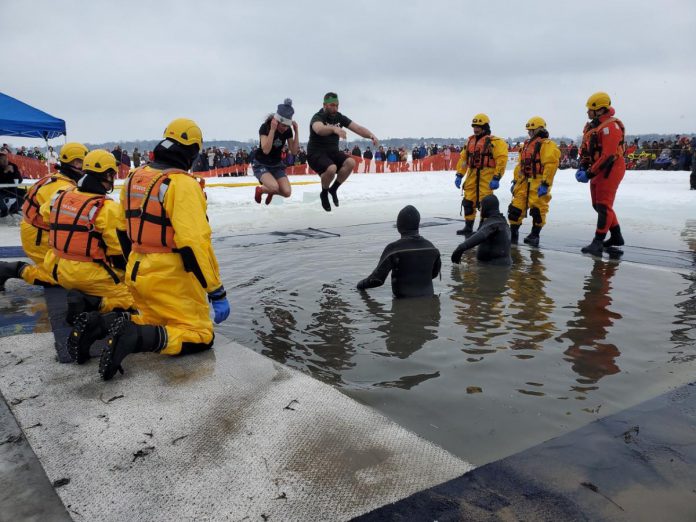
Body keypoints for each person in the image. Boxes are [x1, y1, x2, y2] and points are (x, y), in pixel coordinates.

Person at [96, 118, 230, 380]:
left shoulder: (135, 177)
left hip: (138, 270)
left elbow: (122, 230)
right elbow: (194, 243)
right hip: (169, 275)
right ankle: (134, 339)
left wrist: (129, 271)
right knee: (201, 335)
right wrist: (216, 291)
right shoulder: (182, 184)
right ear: (192, 151)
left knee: (155, 320)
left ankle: (97, 324)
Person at [42, 150, 134, 363]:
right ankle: (94, 305)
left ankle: (82, 299)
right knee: (136, 300)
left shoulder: (60, 195)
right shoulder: (107, 208)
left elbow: (46, 214)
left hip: (57, 267)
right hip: (88, 273)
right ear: (109, 175)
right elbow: (118, 252)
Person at [0, 143, 88, 292]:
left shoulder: (61, 180)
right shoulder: (61, 187)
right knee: (64, 278)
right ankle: (14, 269)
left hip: (40, 232)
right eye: (81, 162)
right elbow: (63, 219)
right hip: (39, 237)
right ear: (73, 163)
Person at [307, 92, 378, 211]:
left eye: (337, 105)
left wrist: (371, 135)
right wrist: (334, 129)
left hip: (332, 152)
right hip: (316, 153)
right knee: (331, 168)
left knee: (351, 162)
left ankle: (333, 189)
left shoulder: (339, 117)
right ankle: (324, 193)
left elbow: (358, 128)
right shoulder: (318, 117)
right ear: (325, 105)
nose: (335, 108)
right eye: (332, 105)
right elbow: (319, 129)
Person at [575, 92, 626, 256]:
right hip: (598, 168)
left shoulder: (611, 127)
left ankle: (598, 241)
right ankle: (616, 236)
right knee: (597, 205)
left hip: (611, 168)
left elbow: (608, 155)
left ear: (600, 109)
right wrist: (583, 165)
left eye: (590, 109)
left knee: (604, 206)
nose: (588, 112)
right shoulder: (593, 127)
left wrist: (589, 173)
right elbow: (585, 149)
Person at [357, 205, 441, 298]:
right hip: (430, 302)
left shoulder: (394, 249)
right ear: (418, 224)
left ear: (398, 225)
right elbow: (433, 274)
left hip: (403, 303)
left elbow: (376, 280)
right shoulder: (432, 248)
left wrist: (359, 286)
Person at [508, 116, 560, 246]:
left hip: (538, 181)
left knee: (538, 210)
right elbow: (520, 165)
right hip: (524, 181)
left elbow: (551, 165)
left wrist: (545, 183)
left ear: (540, 129)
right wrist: (515, 181)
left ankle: (535, 234)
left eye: (532, 129)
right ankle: (513, 232)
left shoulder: (547, 145)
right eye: (529, 130)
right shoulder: (526, 145)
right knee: (515, 208)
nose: (529, 132)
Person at [454, 114, 508, 237]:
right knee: (468, 201)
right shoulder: (470, 141)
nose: (475, 129)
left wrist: (497, 177)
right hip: (472, 174)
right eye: (474, 126)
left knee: (485, 202)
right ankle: (468, 226)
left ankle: (482, 227)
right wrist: (459, 174)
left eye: (478, 126)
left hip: (486, 174)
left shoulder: (494, 142)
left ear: (485, 127)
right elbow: (464, 159)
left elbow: (501, 160)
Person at [252, 98, 299, 205]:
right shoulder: (266, 127)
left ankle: (269, 191)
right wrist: (272, 130)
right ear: (276, 121)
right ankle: (262, 189)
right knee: (274, 187)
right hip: (261, 163)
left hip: (276, 165)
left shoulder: (287, 130)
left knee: (287, 192)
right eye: (283, 125)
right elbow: (266, 150)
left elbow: (294, 151)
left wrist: (296, 132)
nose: (285, 128)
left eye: (288, 126)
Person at [451, 194, 511, 266]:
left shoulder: (493, 224)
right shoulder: (502, 222)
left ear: (486, 207)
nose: (480, 210)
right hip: (499, 267)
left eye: (481, 207)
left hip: (491, 270)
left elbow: (482, 235)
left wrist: (460, 248)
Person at [0, 148, 23, 218]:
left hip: (12, 189)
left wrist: (14, 173)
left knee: (26, 193)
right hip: (1, 190)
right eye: (2, 159)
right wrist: (5, 172)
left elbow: (20, 180)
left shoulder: (13, 166)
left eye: (6, 159)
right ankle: (4, 210)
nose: (5, 161)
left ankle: (14, 209)